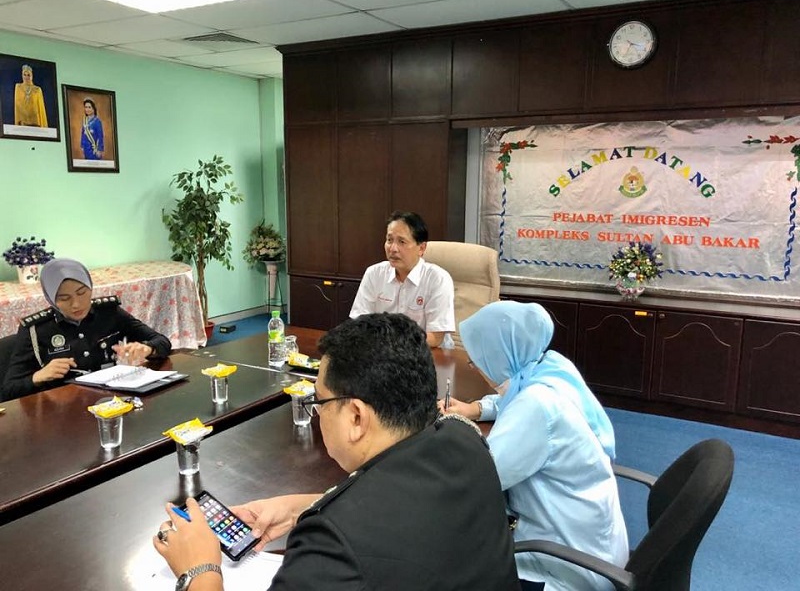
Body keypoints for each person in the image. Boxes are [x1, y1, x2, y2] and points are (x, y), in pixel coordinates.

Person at [153, 313, 521, 591]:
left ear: (357, 417)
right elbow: (399, 508)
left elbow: (367, 528)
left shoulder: (330, 547)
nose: (317, 414)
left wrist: (200, 570)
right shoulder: (463, 436)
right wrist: (298, 509)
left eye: (320, 402)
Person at [440, 301, 628, 591]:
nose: (476, 368)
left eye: (477, 361)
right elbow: (512, 396)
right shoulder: (550, 367)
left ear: (499, 357)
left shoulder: (536, 407)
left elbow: (479, 478)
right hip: (596, 542)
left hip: (566, 567)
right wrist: (475, 408)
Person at [1, 258, 171, 402]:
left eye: (82, 293)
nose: (76, 304)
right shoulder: (35, 330)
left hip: (113, 403)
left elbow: (162, 342)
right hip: (65, 414)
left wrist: (148, 349)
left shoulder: (109, 312)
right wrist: (38, 377)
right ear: (51, 299)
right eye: (64, 298)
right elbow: (9, 390)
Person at [349, 211, 455, 348]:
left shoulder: (438, 279)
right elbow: (359, 322)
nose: (393, 249)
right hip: (383, 351)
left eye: (402, 242)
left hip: (428, 353)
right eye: (389, 240)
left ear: (421, 248)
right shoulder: (374, 274)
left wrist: (391, 343)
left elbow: (435, 338)